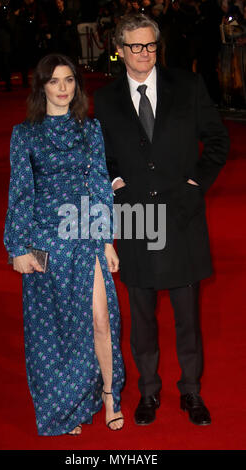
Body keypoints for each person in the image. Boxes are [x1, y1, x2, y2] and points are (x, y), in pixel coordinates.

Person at [94, 13, 229, 427]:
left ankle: (191, 392)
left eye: (150, 45)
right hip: (135, 216)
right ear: (119, 49)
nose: (143, 54)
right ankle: (149, 392)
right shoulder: (104, 99)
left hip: (182, 215)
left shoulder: (187, 86)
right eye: (134, 46)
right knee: (143, 314)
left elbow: (218, 140)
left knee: (188, 315)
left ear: (158, 46)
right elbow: (102, 154)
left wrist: (195, 184)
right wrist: (116, 181)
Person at [4, 53, 125, 436]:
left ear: (77, 85)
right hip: (44, 241)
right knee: (57, 330)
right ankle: (70, 405)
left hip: (85, 234)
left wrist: (107, 239)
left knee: (101, 320)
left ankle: (109, 395)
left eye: (69, 80)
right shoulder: (24, 134)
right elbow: (21, 194)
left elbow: (101, 185)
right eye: (54, 81)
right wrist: (17, 248)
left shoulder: (90, 129)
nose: (63, 89)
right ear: (41, 87)